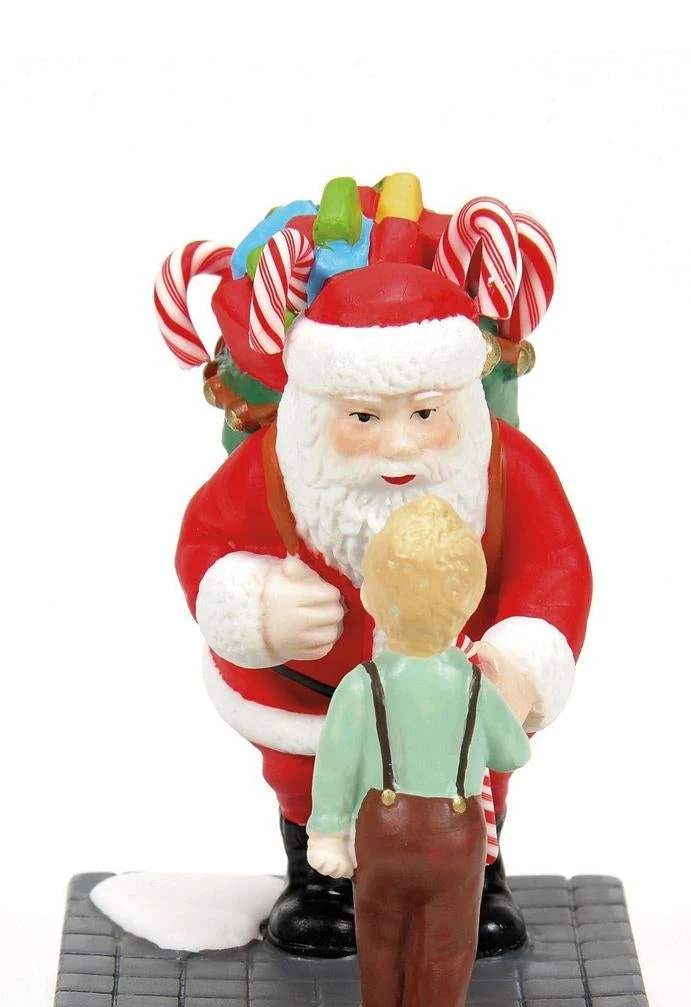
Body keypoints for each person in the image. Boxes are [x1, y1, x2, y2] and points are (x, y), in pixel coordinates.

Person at [175, 243, 591, 960]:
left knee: (468, 776)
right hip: (312, 692)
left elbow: (555, 565)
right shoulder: (276, 465)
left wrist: (524, 661)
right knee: (312, 777)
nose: (398, 445)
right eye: (364, 419)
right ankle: (320, 882)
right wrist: (257, 608)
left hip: (458, 683)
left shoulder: (504, 468)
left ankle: (477, 878)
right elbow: (206, 541)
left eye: (426, 414)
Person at [305, 498, 533, 1007]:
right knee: (447, 938)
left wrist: (328, 832)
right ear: (468, 603)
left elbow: (335, 763)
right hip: (454, 833)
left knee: (380, 929)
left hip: (385, 828)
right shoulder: (475, 684)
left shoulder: (363, 684)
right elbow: (514, 751)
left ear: (373, 599)